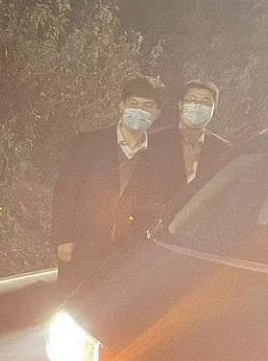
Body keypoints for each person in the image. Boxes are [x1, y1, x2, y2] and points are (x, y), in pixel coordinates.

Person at [52, 75, 180, 291]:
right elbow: (65, 192)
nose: (139, 111)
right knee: (72, 304)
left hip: (127, 256)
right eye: (133, 104)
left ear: (157, 112)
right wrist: (62, 238)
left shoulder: (161, 157)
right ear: (121, 105)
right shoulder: (88, 143)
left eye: (147, 106)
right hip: (82, 248)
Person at [167, 79, 231, 184]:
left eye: (206, 103)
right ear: (180, 104)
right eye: (192, 100)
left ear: (214, 108)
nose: (198, 106)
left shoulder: (222, 148)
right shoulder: (155, 141)